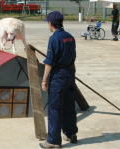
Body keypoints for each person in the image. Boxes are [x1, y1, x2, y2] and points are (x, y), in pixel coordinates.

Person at [39, 11, 78, 148]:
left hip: (58, 77)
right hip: (69, 74)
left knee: (55, 109)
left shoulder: (54, 38)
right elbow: (73, 58)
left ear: (50, 23)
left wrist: (44, 80)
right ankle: (71, 134)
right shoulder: (70, 37)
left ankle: (53, 141)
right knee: (69, 106)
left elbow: (49, 62)